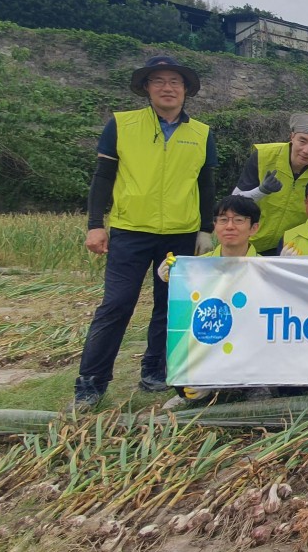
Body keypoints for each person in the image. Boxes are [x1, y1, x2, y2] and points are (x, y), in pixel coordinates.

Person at [74, 55, 217, 409]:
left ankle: (155, 369)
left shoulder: (202, 133)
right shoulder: (121, 125)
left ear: (186, 90)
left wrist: (205, 228)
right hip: (130, 230)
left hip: (181, 233)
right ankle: (91, 381)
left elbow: (206, 184)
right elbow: (103, 178)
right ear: (147, 88)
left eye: (175, 82)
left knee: (169, 307)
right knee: (117, 304)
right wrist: (95, 224)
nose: (167, 88)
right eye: (159, 81)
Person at [156, 195, 266, 407]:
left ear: (254, 228)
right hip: (214, 337)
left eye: (239, 220)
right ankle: (198, 385)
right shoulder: (196, 268)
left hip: (251, 344)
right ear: (215, 226)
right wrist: (174, 276)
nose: (230, 226)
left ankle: (256, 385)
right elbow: (183, 315)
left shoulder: (267, 267)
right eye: (223, 220)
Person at [233, 113, 308, 255]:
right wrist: (262, 190)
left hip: (291, 248)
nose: (306, 150)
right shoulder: (264, 156)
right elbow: (234, 201)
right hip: (248, 242)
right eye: (302, 141)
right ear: (292, 137)